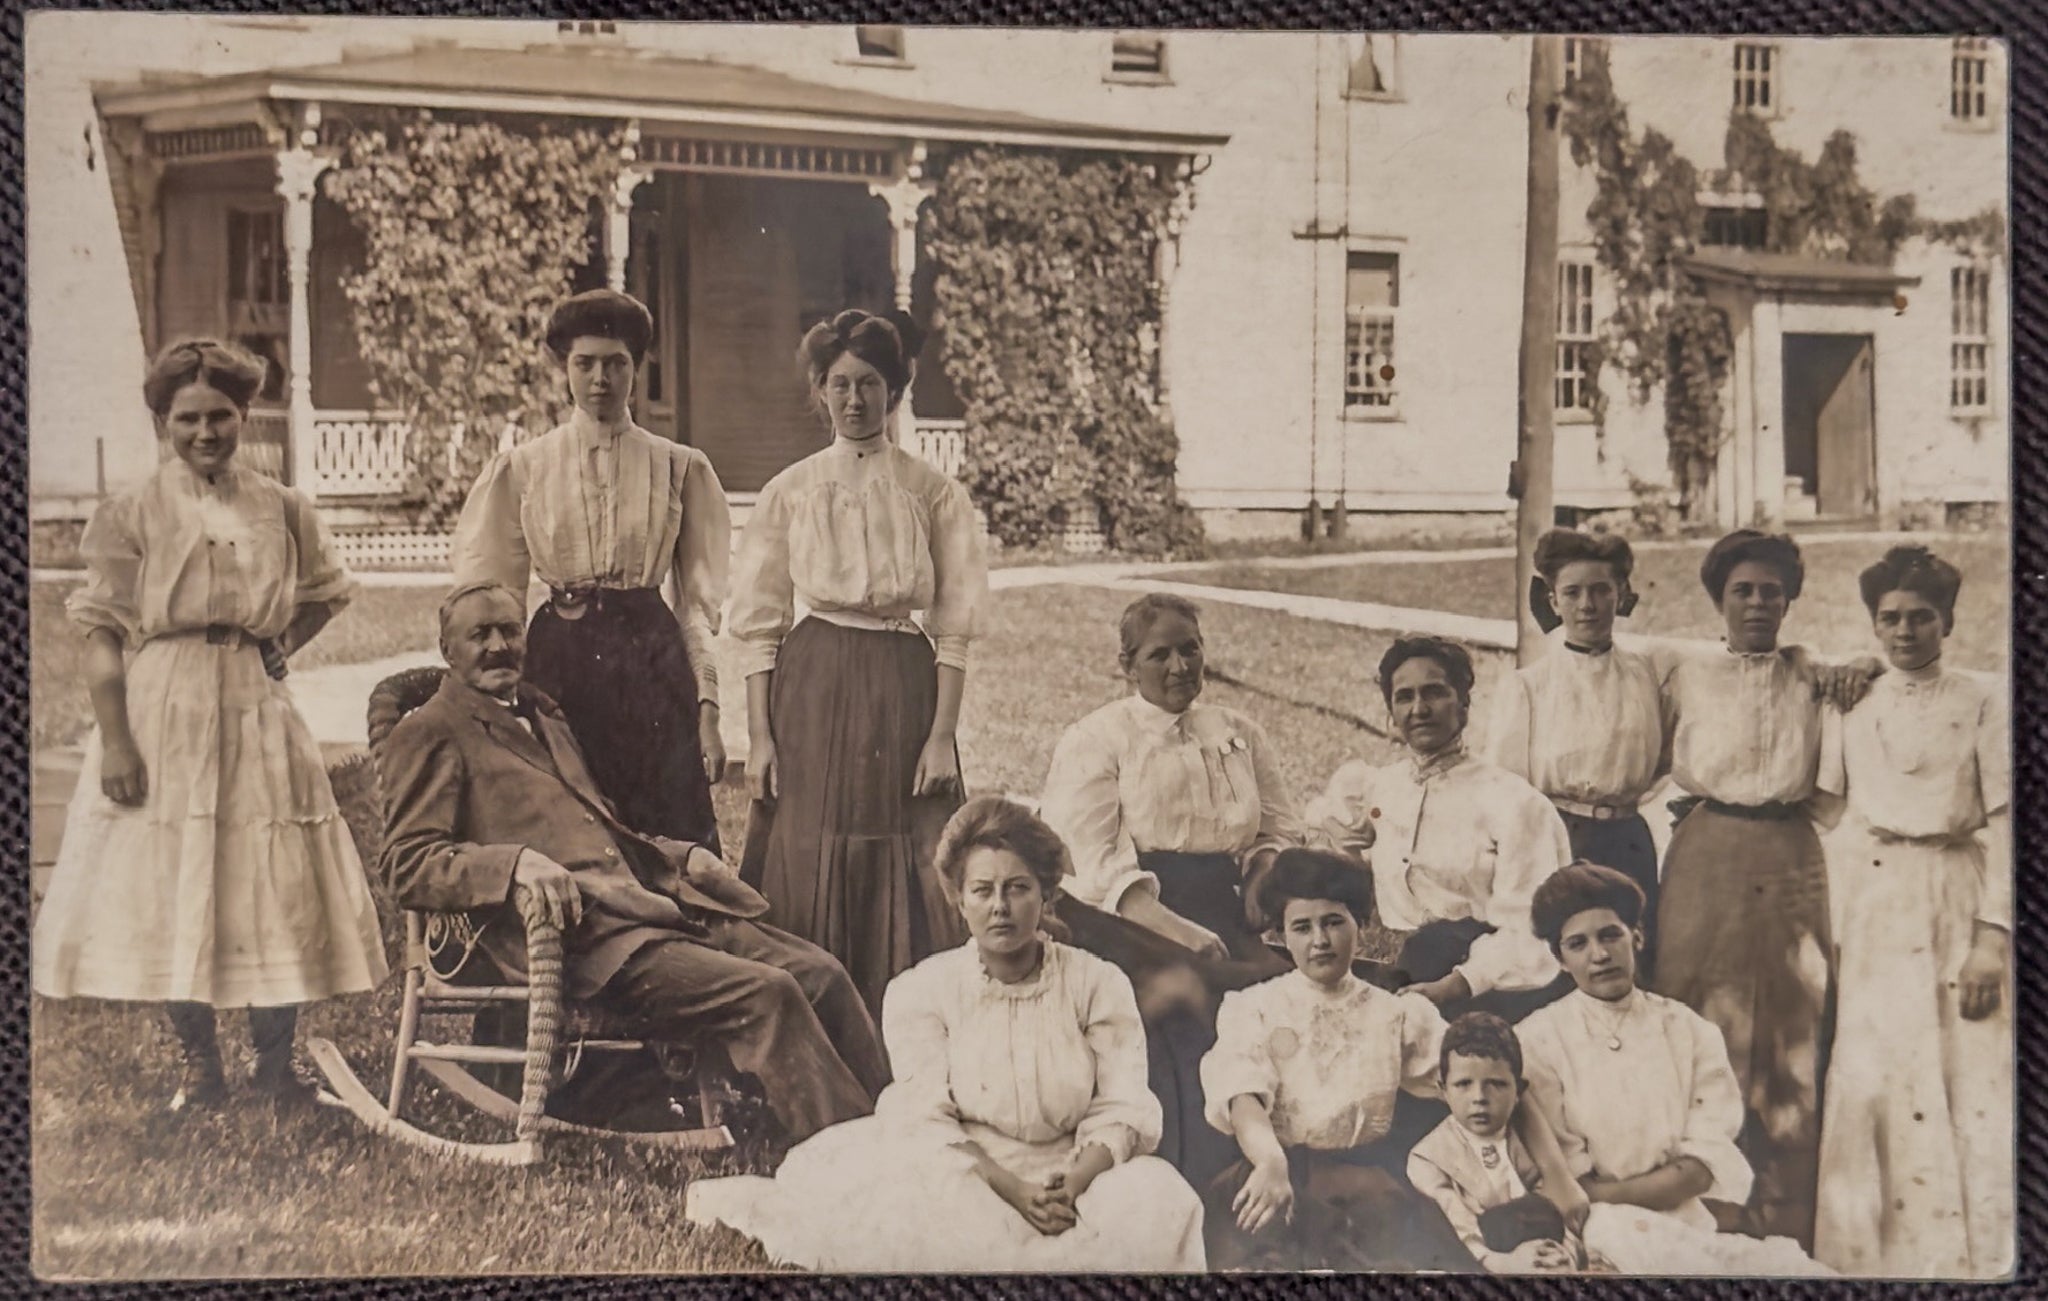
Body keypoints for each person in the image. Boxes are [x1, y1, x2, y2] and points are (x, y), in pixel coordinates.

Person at [378, 580, 886, 1148]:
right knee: (769, 994)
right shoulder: (429, 733)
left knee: (823, 974)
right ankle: (855, 1156)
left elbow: (598, 831)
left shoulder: (545, 718)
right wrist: (514, 863)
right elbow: (407, 863)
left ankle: (902, 1125)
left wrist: (679, 854)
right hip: (588, 943)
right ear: (448, 649)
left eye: (509, 630)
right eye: (479, 635)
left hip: (651, 905)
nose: (499, 646)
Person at [33, 338, 388, 1111]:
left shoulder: (282, 505)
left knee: (274, 876)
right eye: (186, 417)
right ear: (162, 420)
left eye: (220, 416)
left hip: (255, 703)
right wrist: (117, 737)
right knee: (175, 875)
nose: (204, 432)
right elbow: (100, 631)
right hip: (164, 700)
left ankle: (275, 1066)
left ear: (244, 415)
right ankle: (200, 1067)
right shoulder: (133, 511)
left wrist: (279, 644)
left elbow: (327, 590)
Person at [685, 797, 1206, 1272]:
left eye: (1018, 888)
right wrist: (1012, 1189)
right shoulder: (922, 991)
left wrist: (1072, 1183)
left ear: (1047, 895)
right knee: (933, 1225)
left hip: (1074, 1168)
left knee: (1161, 1201)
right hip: (966, 1167)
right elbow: (923, 1117)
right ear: (958, 899)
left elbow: (1123, 1105)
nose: (999, 906)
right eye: (982, 890)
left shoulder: (1097, 983)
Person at [729, 309, 988, 1014]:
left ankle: (905, 1020)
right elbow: (758, 624)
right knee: (812, 838)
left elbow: (956, 625)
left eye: (869, 383)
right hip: (812, 680)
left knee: (904, 840)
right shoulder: (791, 490)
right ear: (819, 390)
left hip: (903, 682)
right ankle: (813, 1015)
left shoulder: (932, 492)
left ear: (895, 389)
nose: (853, 399)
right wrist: (760, 735)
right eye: (838, 383)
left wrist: (941, 733)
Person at [1198, 848, 1585, 1272]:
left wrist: (1560, 1178)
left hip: (1368, 1185)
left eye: (1333, 922)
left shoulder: (1397, 1014)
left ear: (1359, 925)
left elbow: (1501, 1080)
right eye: (1302, 928)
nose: (1320, 941)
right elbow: (1243, 1098)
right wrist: (1270, 1162)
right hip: (1277, 1177)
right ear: (1282, 935)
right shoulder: (1252, 1007)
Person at [1652, 529, 1877, 1249]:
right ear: (1719, 599)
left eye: (1771, 591)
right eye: (1742, 590)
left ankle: (1784, 1221)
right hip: (1706, 854)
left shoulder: (1813, 677)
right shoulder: (1683, 675)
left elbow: (1845, 750)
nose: (1757, 603)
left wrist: (1858, 668)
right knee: (1697, 1017)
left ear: (1790, 601)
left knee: (1791, 1022)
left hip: (1788, 852)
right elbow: (1647, 757)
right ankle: (1702, 1214)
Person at [451, 289, 730, 849]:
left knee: (665, 834)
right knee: (569, 822)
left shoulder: (677, 468)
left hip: (651, 661)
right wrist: (491, 703)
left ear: (635, 367)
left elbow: (695, 608)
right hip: (562, 661)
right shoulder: (525, 468)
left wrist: (708, 707)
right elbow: (491, 597)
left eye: (616, 364)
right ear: (564, 367)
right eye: (585, 364)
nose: (600, 378)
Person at [1039, 592, 1304, 1180]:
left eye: (1191, 650)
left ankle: (1276, 1157)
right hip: (1124, 914)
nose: (1180, 668)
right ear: (1127, 665)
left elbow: (1279, 825)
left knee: (1278, 995)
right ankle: (1189, 1168)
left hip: (1222, 905)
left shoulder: (1238, 732)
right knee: (1188, 993)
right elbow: (1089, 857)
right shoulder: (1098, 738)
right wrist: (1174, 928)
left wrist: (1262, 874)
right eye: (1159, 655)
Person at [1810, 545, 2012, 1278]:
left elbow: (2013, 820)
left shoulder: (1985, 699)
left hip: (1957, 889)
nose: (1904, 632)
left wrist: (1991, 940)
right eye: (1889, 618)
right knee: (1875, 1071)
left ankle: (1975, 1259)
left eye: (1921, 617)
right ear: (1872, 624)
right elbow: (1826, 804)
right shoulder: (1855, 699)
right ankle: (1874, 1258)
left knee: (1965, 1067)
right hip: (1877, 896)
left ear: (1949, 621)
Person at [1517, 863, 1832, 1277]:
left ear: (1638, 937)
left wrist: (1604, 1192)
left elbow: (1701, 1167)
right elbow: (1568, 1182)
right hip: (1594, 1235)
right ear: (1560, 960)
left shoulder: (1689, 1030)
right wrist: (1603, 1195)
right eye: (1578, 944)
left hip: (1687, 1227)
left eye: (1611, 934)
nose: (1600, 954)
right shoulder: (1537, 1040)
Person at [1308, 636, 1574, 1023]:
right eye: (1404, 697)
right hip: (1396, 973)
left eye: (1435, 693)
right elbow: (1325, 824)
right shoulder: (1382, 788)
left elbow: (1531, 929)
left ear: (1464, 703)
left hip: (1483, 986)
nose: (1420, 709)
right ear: (1390, 712)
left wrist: (1456, 985)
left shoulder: (1515, 804)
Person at [1488, 529, 1667, 980]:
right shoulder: (1529, 686)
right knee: (1565, 967)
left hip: (1629, 840)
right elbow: (1508, 792)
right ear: (1553, 601)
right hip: (1561, 839)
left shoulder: (1648, 675)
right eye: (1573, 592)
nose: (1587, 605)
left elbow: (1661, 759)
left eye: (1601, 590)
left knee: (1633, 964)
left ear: (1621, 594)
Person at [1406, 1013, 1587, 1274]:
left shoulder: (1529, 1141)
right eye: (1463, 1084)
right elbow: (1457, 1226)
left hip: (1542, 1256)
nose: (1479, 1097)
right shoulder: (1429, 1158)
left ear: (1518, 1092)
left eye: (1497, 1084)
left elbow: (1560, 1209)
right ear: (1444, 1090)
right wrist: (1503, 1263)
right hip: (1478, 1262)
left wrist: (1566, 1253)